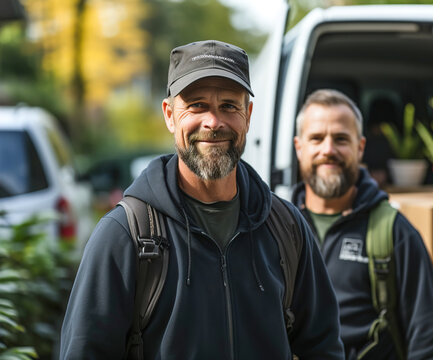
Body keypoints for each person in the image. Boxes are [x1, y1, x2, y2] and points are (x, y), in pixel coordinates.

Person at [60, 40, 344, 359]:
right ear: (169, 115)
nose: (213, 122)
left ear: (248, 116)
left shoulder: (287, 228)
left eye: (228, 106)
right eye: (196, 105)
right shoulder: (126, 236)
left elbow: (323, 347)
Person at [292, 89, 433, 360]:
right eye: (317, 138)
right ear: (299, 147)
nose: (328, 150)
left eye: (341, 139)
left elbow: (431, 347)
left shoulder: (396, 233)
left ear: (360, 147)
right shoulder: (274, 228)